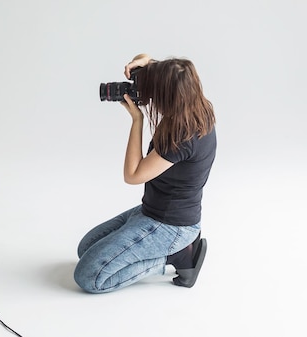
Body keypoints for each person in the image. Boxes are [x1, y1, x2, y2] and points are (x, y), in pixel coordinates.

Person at [74, 53, 216, 292]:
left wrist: (136, 120)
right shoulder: (197, 106)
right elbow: (178, 74)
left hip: (171, 226)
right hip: (151, 210)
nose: (150, 97)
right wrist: (147, 63)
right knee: (85, 249)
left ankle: (179, 256)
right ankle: (171, 249)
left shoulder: (183, 136)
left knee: (89, 276)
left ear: (170, 95)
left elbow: (133, 175)